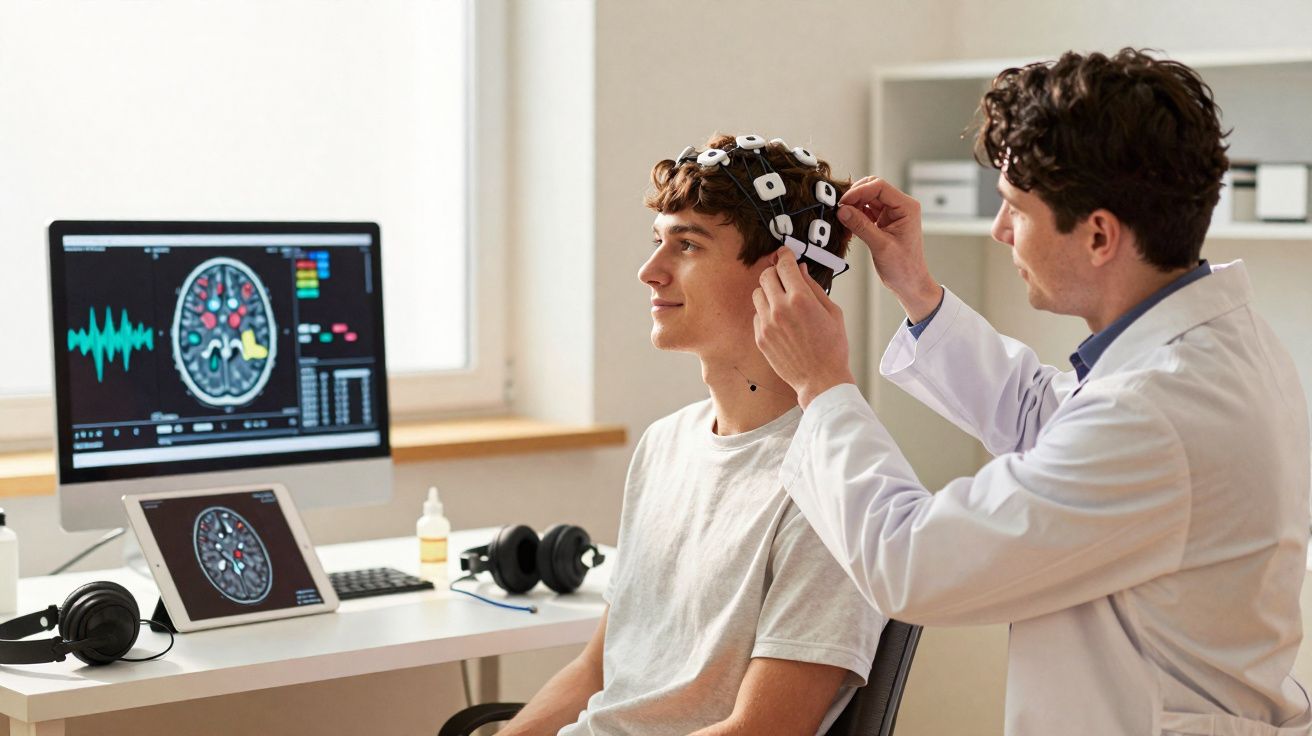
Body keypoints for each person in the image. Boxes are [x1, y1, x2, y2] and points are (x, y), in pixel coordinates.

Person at [753, 49, 1312, 734]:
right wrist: (918, 291)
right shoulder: (1209, 353)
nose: (999, 231)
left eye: (1016, 208)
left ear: (1099, 234)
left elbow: (912, 563)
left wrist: (822, 384)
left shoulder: (1156, 411)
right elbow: (1046, 420)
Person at [499, 134, 886, 736]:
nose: (650, 272)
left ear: (783, 272)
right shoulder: (665, 445)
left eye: (686, 245)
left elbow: (763, 731)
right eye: (659, 241)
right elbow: (596, 672)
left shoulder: (834, 482)